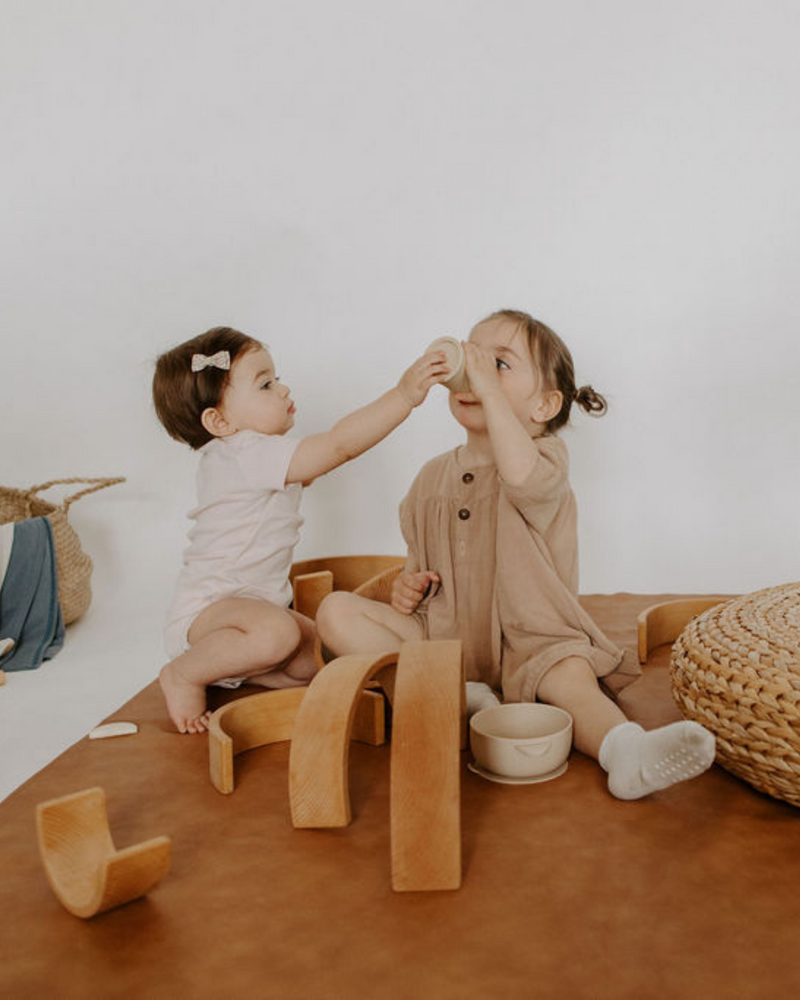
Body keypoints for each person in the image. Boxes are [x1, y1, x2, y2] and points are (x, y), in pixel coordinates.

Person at [316, 309, 716, 800]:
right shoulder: (429, 479)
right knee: (335, 611)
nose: (474, 369)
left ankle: (624, 751)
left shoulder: (544, 461)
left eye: (498, 364)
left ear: (545, 406)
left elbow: (520, 476)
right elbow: (420, 569)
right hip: (442, 639)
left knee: (570, 677)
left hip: (531, 640)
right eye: (472, 354)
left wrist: (485, 388)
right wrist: (408, 586)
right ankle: (452, 698)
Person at [152, 326, 448, 733]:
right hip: (208, 613)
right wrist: (403, 396)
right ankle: (184, 673)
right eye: (266, 384)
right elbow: (338, 446)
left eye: (276, 378)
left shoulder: (247, 457)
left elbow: (320, 457)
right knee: (274, 633)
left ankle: (249, 670)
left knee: (317, 659)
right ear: (219, 421)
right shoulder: (246, 454)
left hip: (250, 611)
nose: (283, 389)